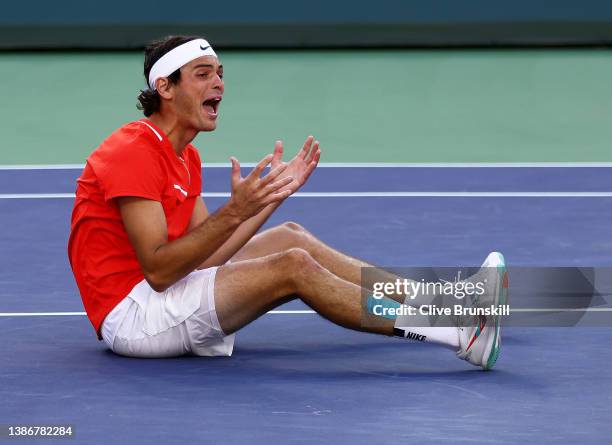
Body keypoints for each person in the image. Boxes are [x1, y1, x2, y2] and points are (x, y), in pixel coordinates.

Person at [68, 35, 508, 369]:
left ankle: (449, 305)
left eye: (220, 72)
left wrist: (267, 200)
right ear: (165, 87)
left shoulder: (187, 155)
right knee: (293, 265)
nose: (218, 82)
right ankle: (461, 336)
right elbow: (162, 272)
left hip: (165, 295)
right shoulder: (133, 151)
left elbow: (205, 259)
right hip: (134, 316)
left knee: (292, 236)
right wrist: (237, 210)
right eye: (202, 74)